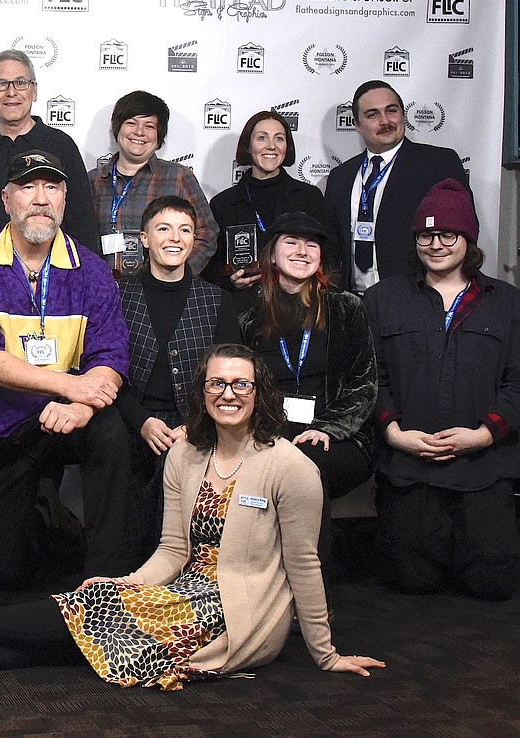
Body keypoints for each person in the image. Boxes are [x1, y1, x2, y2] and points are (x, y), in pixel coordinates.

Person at [0, 344, 386, 688]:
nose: (228, 394)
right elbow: (172, 550)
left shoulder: (289, 467)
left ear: (260, 394)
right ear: (202, 392)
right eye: (216, 384)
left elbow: (304, 563)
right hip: (182, 590)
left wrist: (326, 652)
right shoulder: (185, 456)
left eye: (241, 385)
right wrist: (126, 589)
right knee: (97, 611)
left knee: (93, 623)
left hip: (235, 614)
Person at [0, 150, 141, 588]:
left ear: (64, 200)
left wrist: (83, 406)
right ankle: (49, 517)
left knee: (111, 431)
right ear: (6, 198)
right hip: (4, 430)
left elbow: (109, 357)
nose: (40, 198)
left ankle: (106, 576)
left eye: (51, 187)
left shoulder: (91, 268)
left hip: (70, 419)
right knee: (7, 573)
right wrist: (72, 388)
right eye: (28, 187)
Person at [364, 179, 520, 600]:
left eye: (447, 234)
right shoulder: (382, 299)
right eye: (425, 235)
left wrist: (484, 434)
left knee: (492, 584)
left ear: (468, 238)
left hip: (483, 468)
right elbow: (369, 377)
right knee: (408, 581)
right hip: (409, 467)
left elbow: (517, 382)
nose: (435, 244)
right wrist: (393, 433)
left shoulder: (507, 302)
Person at [238, 212, 376, 576]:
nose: (302, 251)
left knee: (307, 463)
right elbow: (235, 384)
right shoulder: (247, 313)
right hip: (267, 429)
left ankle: (310, 589)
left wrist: (329, 428)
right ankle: (261, 583)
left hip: (338, 436)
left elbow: (364, 382)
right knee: (279, 461)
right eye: (291, 242)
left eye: (311, 245)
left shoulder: (346, 307)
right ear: (271, 254)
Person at [115, 196, 239, 547]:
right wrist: (141, 421)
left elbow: (229, 377)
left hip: (198, 422)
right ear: (144, 238)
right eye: (164, 228)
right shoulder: (118, 294)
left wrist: (194, 425)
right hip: (131, 420)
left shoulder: (217, 300)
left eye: (185, 230)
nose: (175, 238)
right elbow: (106, 369)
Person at [323, 80, 467, 294]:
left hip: (417, 300)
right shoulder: (340, 177)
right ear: (357, 125)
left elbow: (461, 232)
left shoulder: (438, 163)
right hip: (353, 304)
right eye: (372, 115)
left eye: (391, 111)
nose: (385, 121)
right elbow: (332, 245)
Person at [0, 49, 99, 253]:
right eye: (1, 84)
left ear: (35, 90)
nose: (11, 92)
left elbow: (82, 221)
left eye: (21, 83)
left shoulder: (61, 146)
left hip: (53, 272)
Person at [204, 111, 328, 312]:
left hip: (301, 308)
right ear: (248, 146)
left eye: (279, 138)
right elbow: (211, 268)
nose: (271, 145)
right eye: (262, 138)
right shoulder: (223, 203)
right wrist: (230, 283)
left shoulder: (309, 197)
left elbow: (329, 256)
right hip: (243, 309)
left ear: (287, 147)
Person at [88, 91, 217, 276]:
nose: (139, 132)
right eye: (131, 123)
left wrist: (177, 276)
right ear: (117, 128)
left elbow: (207, 232)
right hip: (103, 293)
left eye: (149, 126)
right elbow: (77, 240)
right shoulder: (93, 181)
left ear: (159, 135)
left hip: (160, 294)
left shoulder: (179, 177)